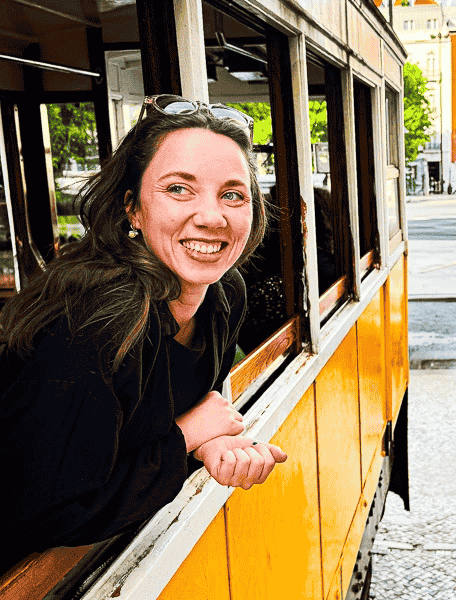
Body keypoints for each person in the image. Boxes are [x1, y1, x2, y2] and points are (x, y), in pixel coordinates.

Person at [0, 95, 287, 569]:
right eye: (179, 189)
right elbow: (47, 509)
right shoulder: (92, 326)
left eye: (233, 195)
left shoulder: (223, 293)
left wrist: (209, 440)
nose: (213, 217)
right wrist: (187, 437)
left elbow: (169, 413)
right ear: (133, 209)